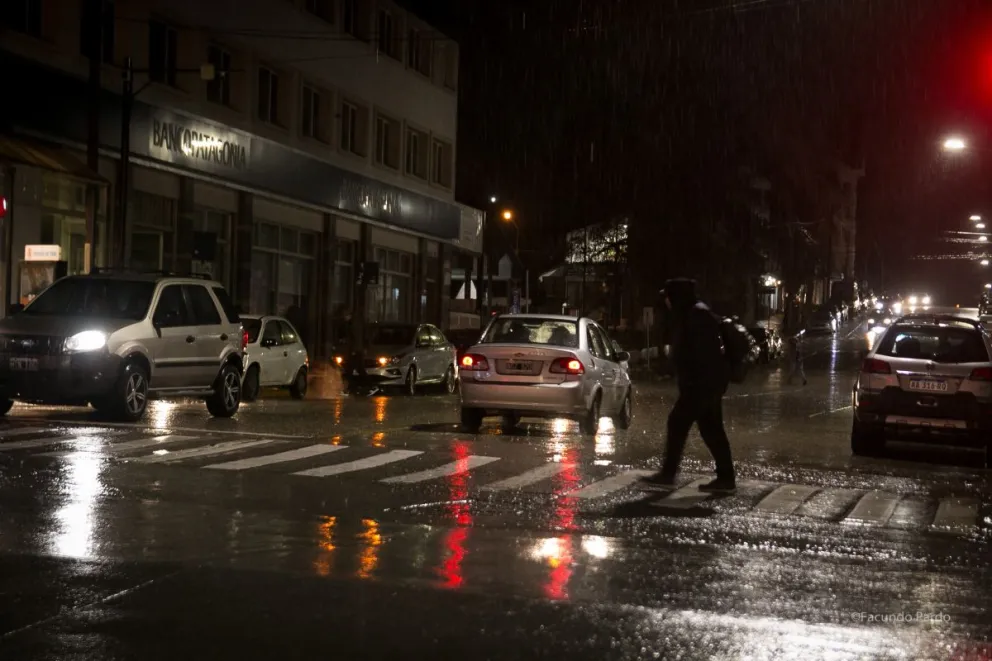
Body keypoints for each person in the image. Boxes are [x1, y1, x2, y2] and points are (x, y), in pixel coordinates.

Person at [640, 278, 736, 493]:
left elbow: (701, 354)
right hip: (705, 384)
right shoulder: (693, 314)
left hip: (701, 385)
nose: (666, 301)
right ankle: (726, 478)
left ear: (677, 296)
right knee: (712, 430)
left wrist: (690, 379)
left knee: (677, 423)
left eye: (668, 296)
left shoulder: (697, 316)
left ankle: (668, 474)